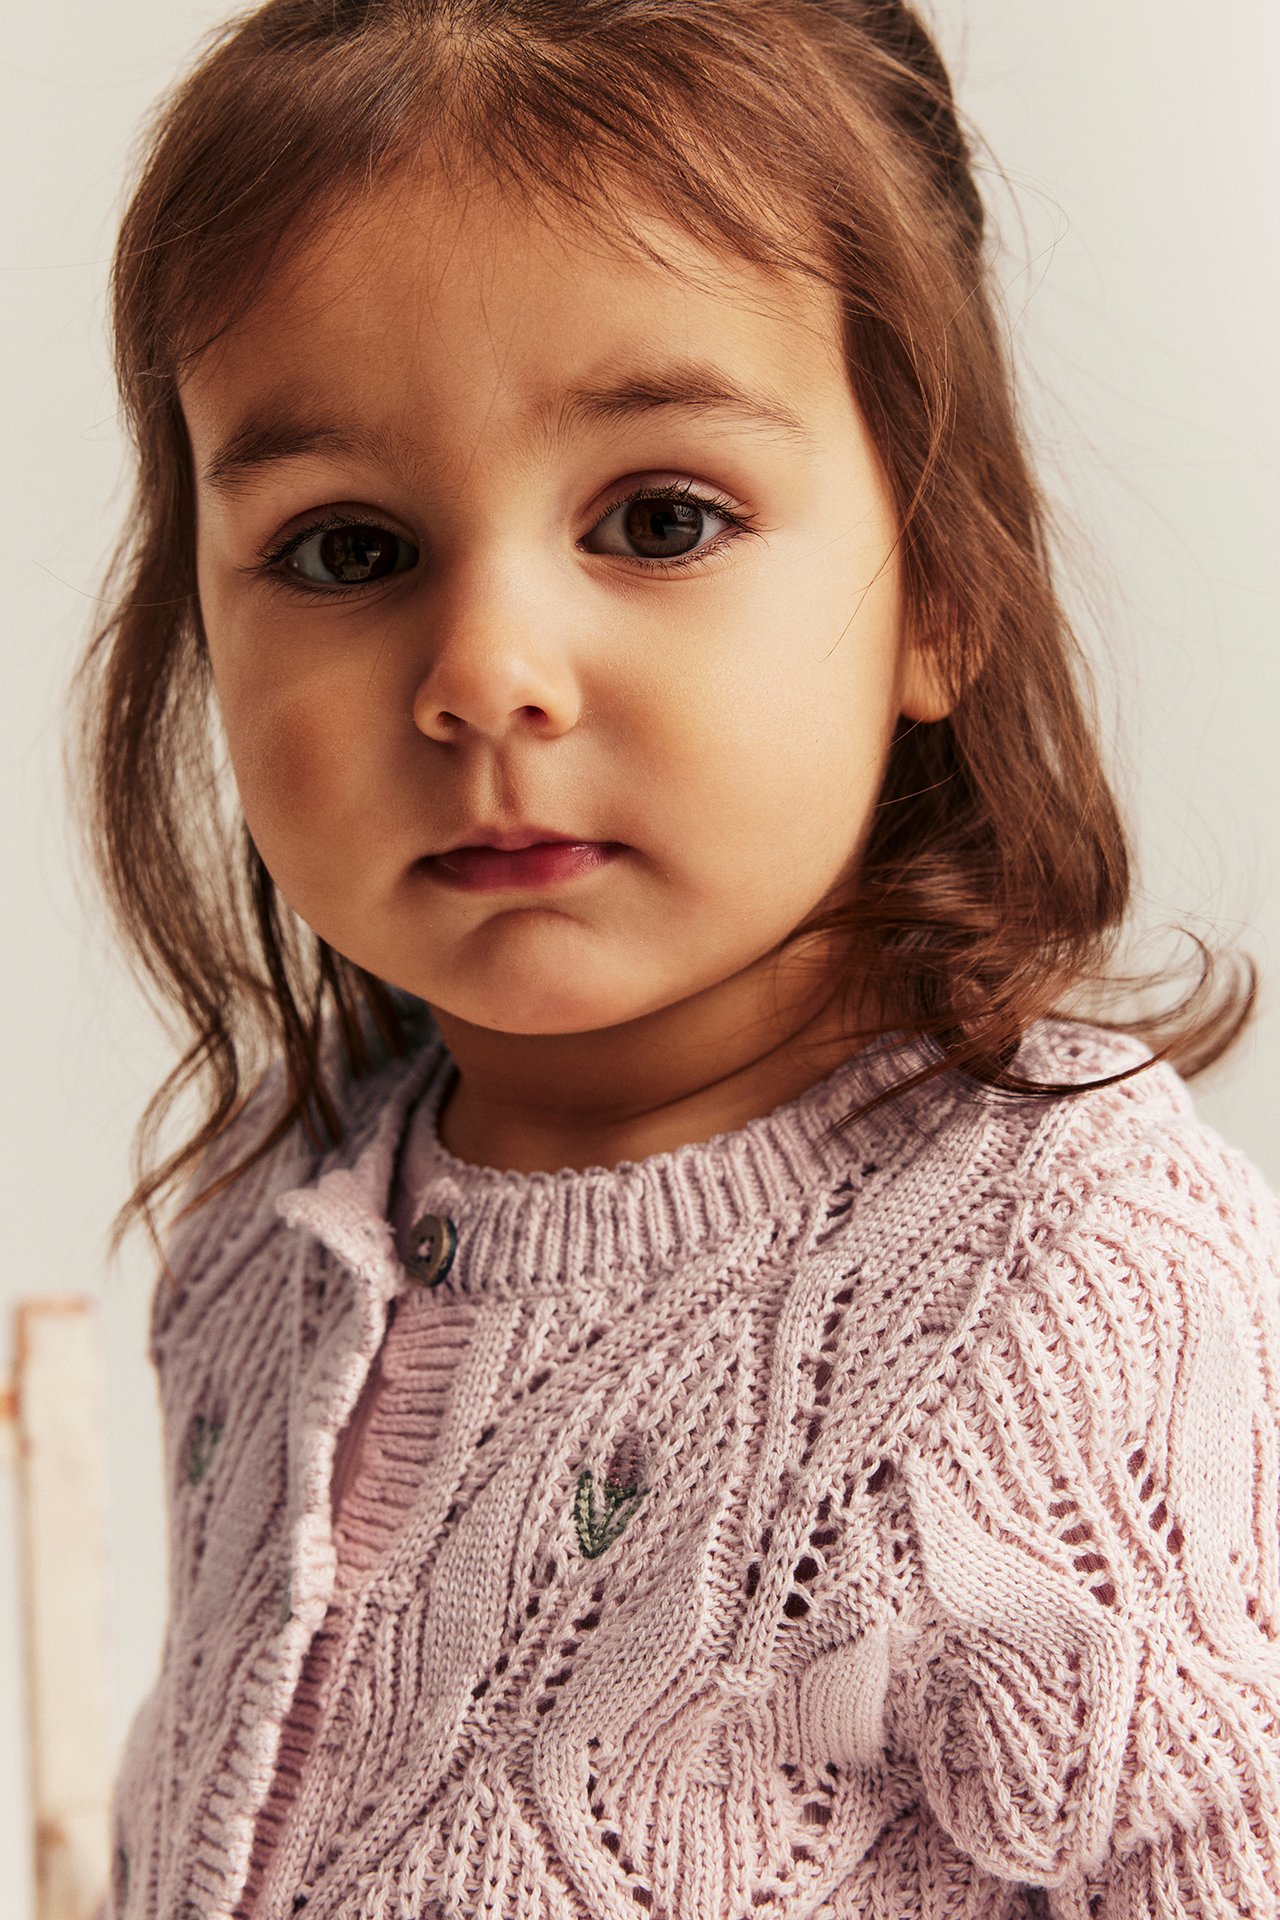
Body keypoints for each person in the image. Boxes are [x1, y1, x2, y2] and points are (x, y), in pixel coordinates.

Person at [74, 2, 1280, 1916]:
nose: (486, 674)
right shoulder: (262, 1232)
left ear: (941, 583)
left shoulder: (1064, 1276)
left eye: (659, 520)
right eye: (348, 550)